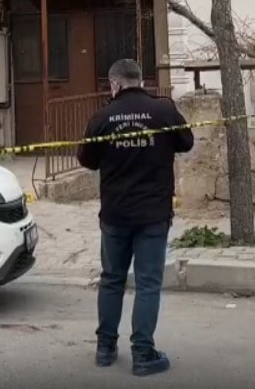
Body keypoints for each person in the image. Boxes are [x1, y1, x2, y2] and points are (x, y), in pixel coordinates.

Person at [77, 59, 195, 376]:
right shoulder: (163, 110)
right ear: (141, 81)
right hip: (153, 214)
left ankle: (105, 348)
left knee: (111, 279)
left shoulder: (103, 117)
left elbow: (86, 160)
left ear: (114, 84)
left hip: (115, 214)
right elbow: (187, 142)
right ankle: (143, 353)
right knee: (147, 284)